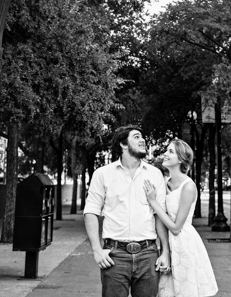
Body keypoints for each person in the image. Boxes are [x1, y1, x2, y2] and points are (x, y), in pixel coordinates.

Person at [84, 126, 171, 297]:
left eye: (142, 137)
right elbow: (91, 212)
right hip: (115, 255)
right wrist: (96, 250)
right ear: (123, 144)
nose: (143, 140)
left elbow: (159, 215)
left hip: (148, 255)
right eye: (137, 137)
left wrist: (165, 251)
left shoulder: (155, 174)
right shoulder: (102, 174)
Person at [143, 140, 218, 297]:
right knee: (166, 291)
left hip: (184, 243)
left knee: (184, 290)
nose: (165, 154)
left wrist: (153, 201)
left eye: (170, 152)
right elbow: (160, 216)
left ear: (180, 159)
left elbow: (177, 228)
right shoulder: (164, 183)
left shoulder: (188, 186)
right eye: (167, 150)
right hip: (167, 241)